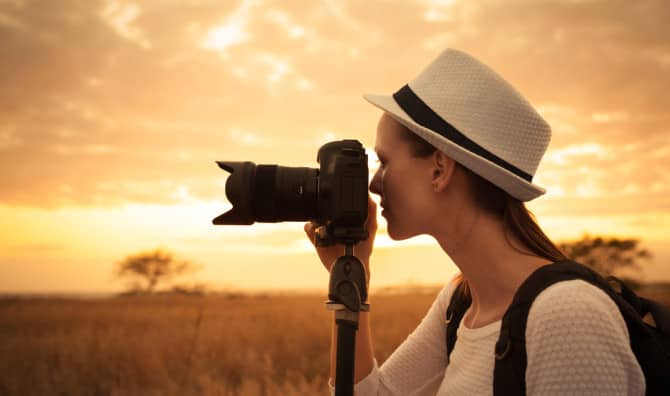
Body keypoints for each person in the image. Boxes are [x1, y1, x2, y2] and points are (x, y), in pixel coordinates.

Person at [304, 49, 645, 395]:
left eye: (385, 161)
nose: (374, 183)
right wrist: (353, 269)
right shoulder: (461, 302)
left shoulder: (568, 316)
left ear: (439, 168)